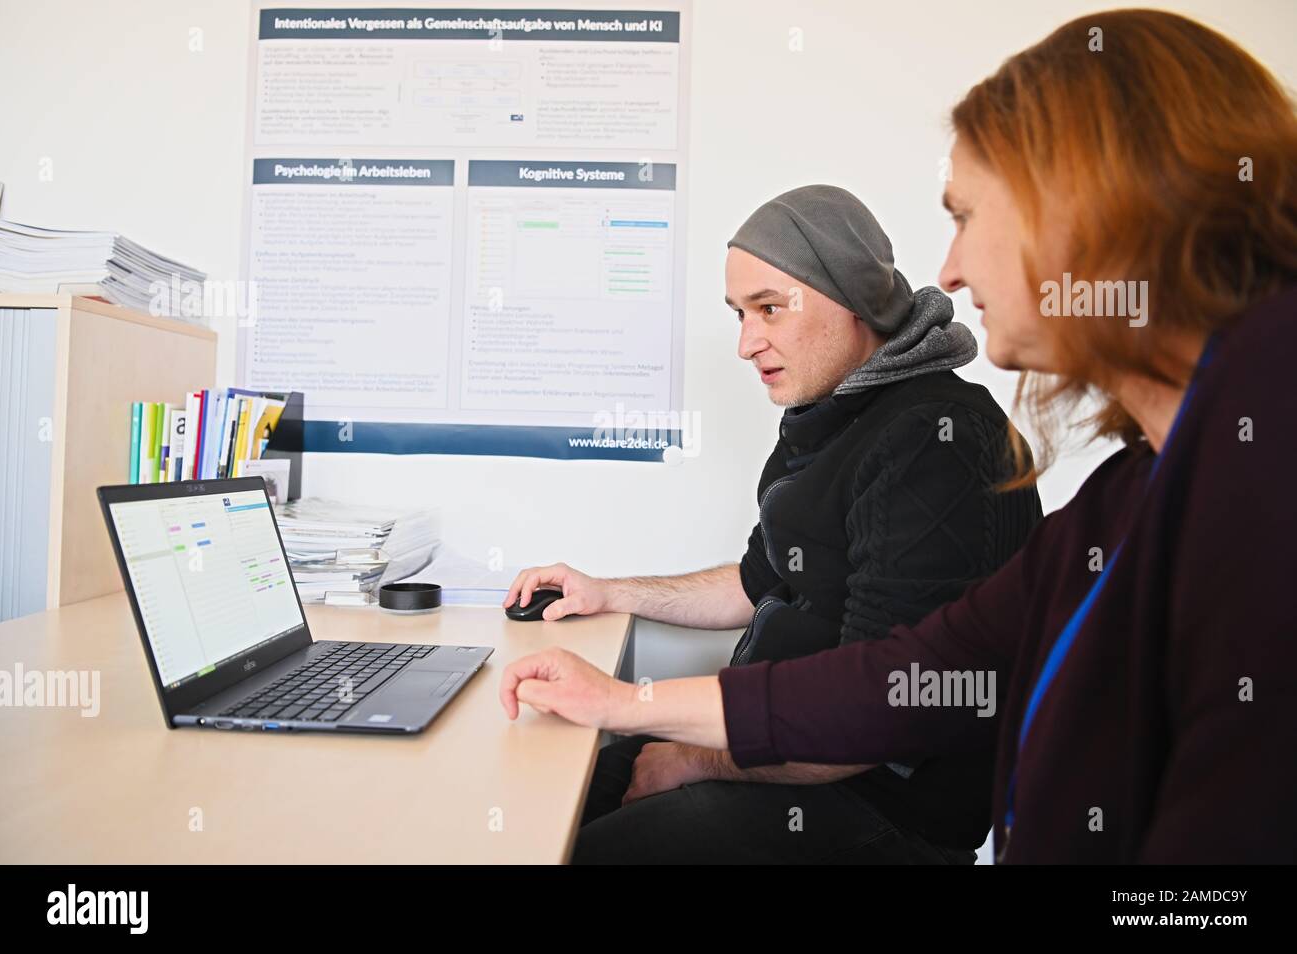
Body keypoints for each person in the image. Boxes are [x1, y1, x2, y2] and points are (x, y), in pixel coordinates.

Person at [499, 9, 1297, 864]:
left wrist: (673, 738)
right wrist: (624, 698)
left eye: (966, 215)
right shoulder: (1126, 501)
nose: (947, 270)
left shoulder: (1253, 495)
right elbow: (896, 681)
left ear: (1095, 211)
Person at [504, 186, 1041, 863]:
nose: (746, 342)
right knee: (542, 806)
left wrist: (691, 756)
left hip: (878, 811)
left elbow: (878, 717)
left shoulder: (938, 442)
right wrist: (612, 592)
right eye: (738, 314)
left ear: (856, 301)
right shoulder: (830, 412)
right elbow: (760, 581)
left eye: (769, 308)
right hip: (779, 755)